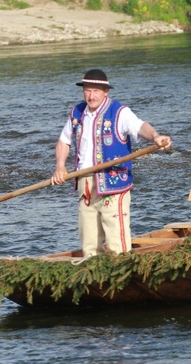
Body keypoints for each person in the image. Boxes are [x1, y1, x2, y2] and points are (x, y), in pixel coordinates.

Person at [51, 69, 171, 257]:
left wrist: (155, 136)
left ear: (106, 91)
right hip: (86, 184)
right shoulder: (77, 112)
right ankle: (94, 276)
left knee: (116, 240)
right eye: (88, 91)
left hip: (113, 184)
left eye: (96, 91)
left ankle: (123, 274)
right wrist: (60, 167)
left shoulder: (119, 112)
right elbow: (64, 141)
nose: (91, 96)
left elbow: (140, 127)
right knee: (89, 242)